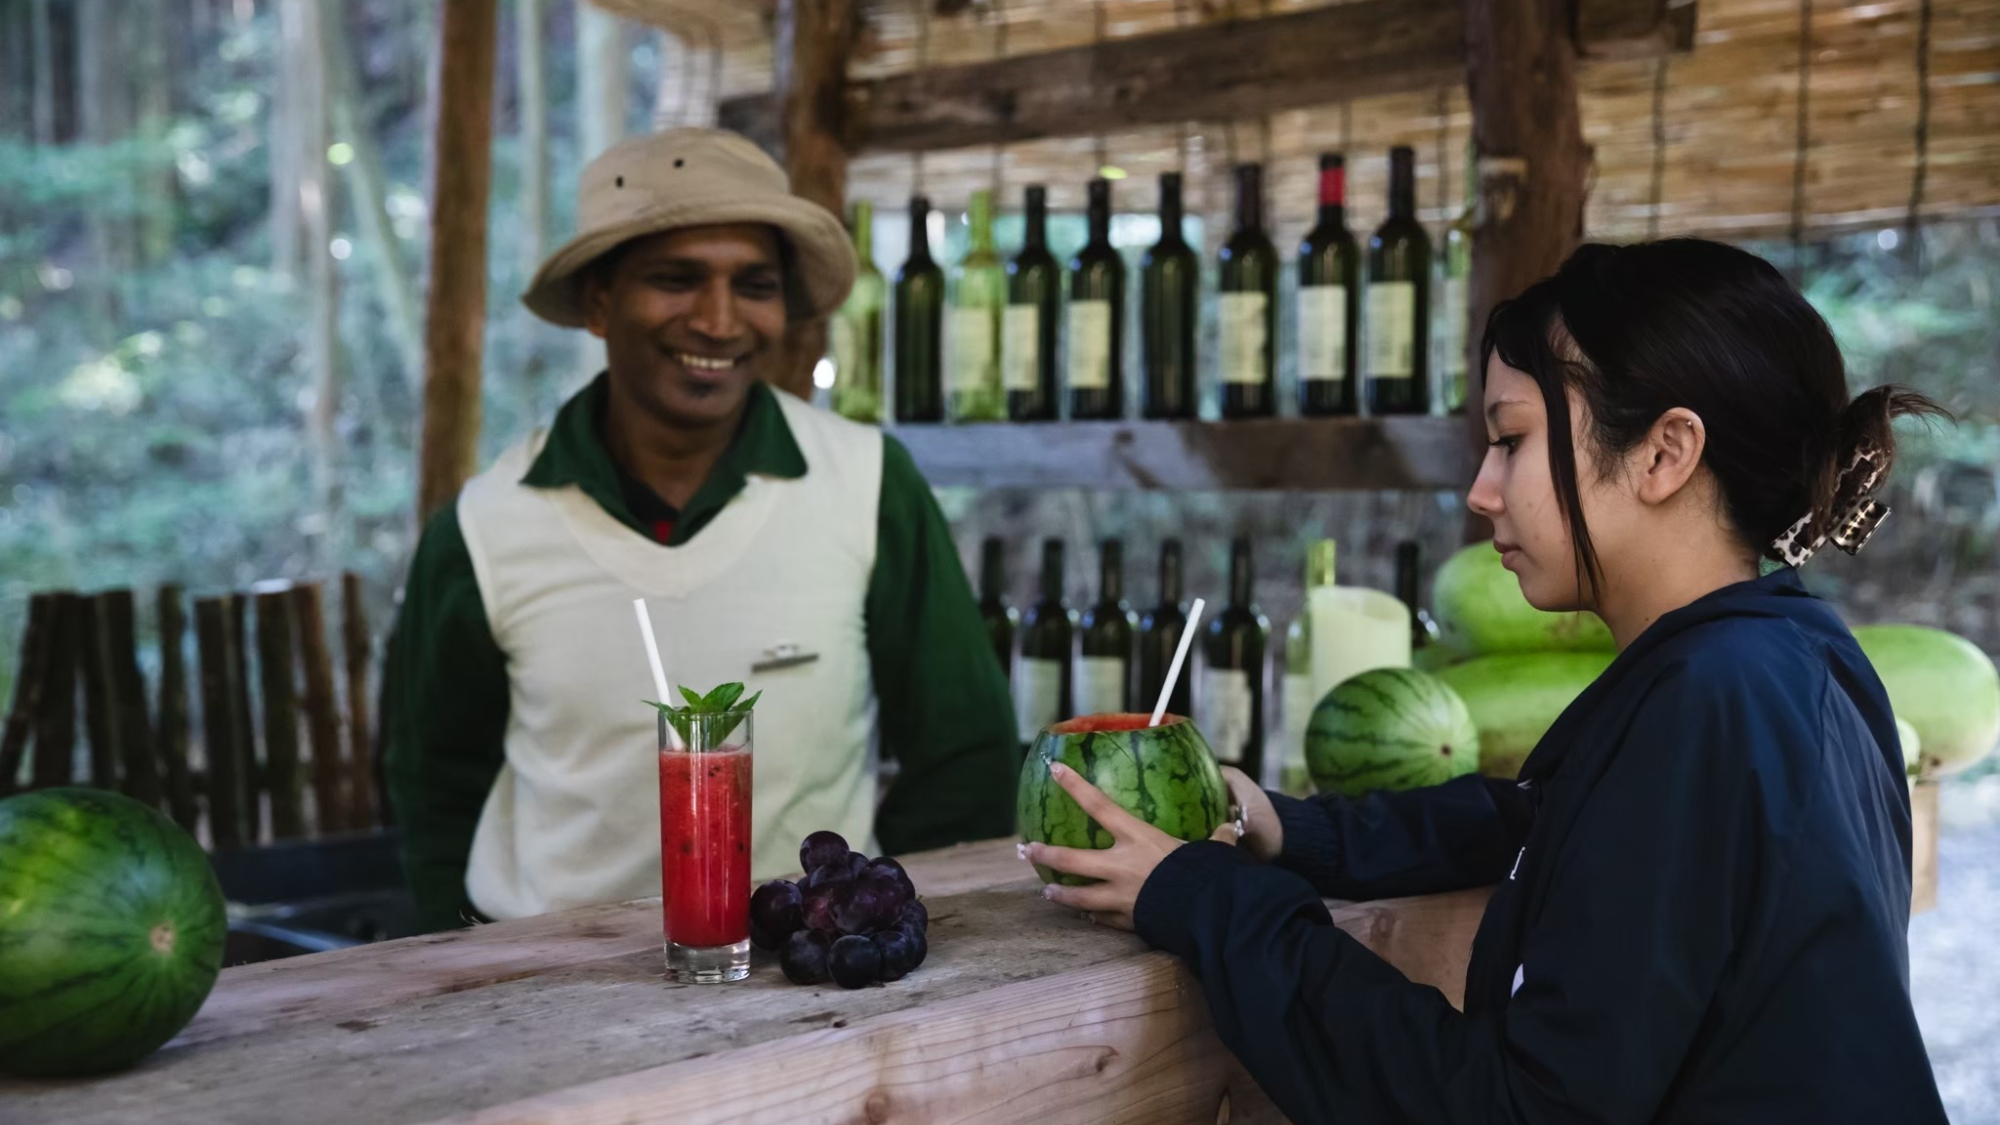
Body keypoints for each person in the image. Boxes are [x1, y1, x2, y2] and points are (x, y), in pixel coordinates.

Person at [1026, 239, 1950, 1122]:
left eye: (1511, 439)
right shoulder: (1795, 656)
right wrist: (1294, 829)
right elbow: (1550, 822)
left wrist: (1207, 900)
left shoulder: (1713, 698)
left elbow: (1510, 1108)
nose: (1481, 488)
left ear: (1665, 453)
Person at [384, 129, 1017, 932]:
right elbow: (432, 784)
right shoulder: (486, 526)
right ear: (599, 302)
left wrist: (862, 922)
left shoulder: (867, 485)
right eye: (676, 279)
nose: (719, 320)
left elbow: (967, 754)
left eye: (754, 285)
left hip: (802, 975)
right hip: (545, 972)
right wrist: (476, 961)